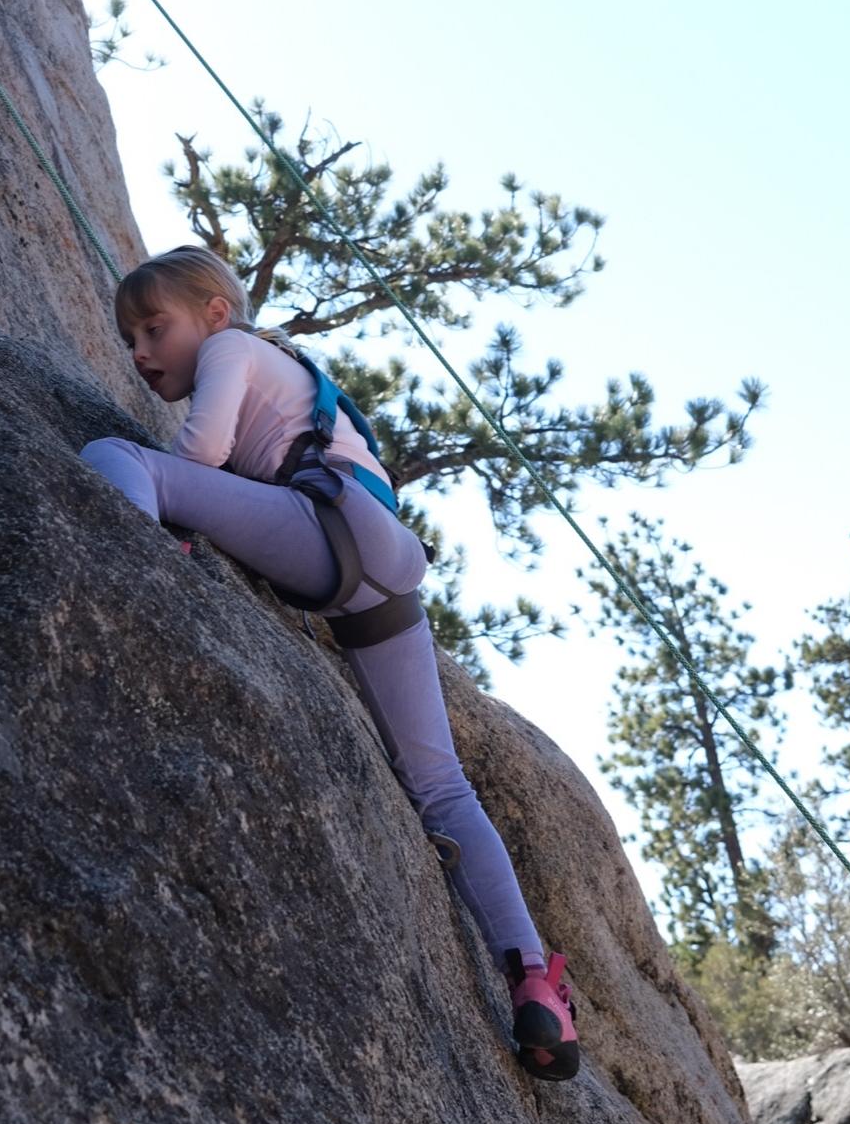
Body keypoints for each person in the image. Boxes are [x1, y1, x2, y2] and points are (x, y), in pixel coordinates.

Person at [80, 244, 579, 1081]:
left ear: (212, 314)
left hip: (322, 530)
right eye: (128, 335)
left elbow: (197, 458)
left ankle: (135, 585)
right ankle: (534, 979)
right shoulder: (293, 372)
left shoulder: (235, 346)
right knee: (442, 786)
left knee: (120, 460)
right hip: (381, 558)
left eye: (153, 327)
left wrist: (171, 538)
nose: (138, 352)